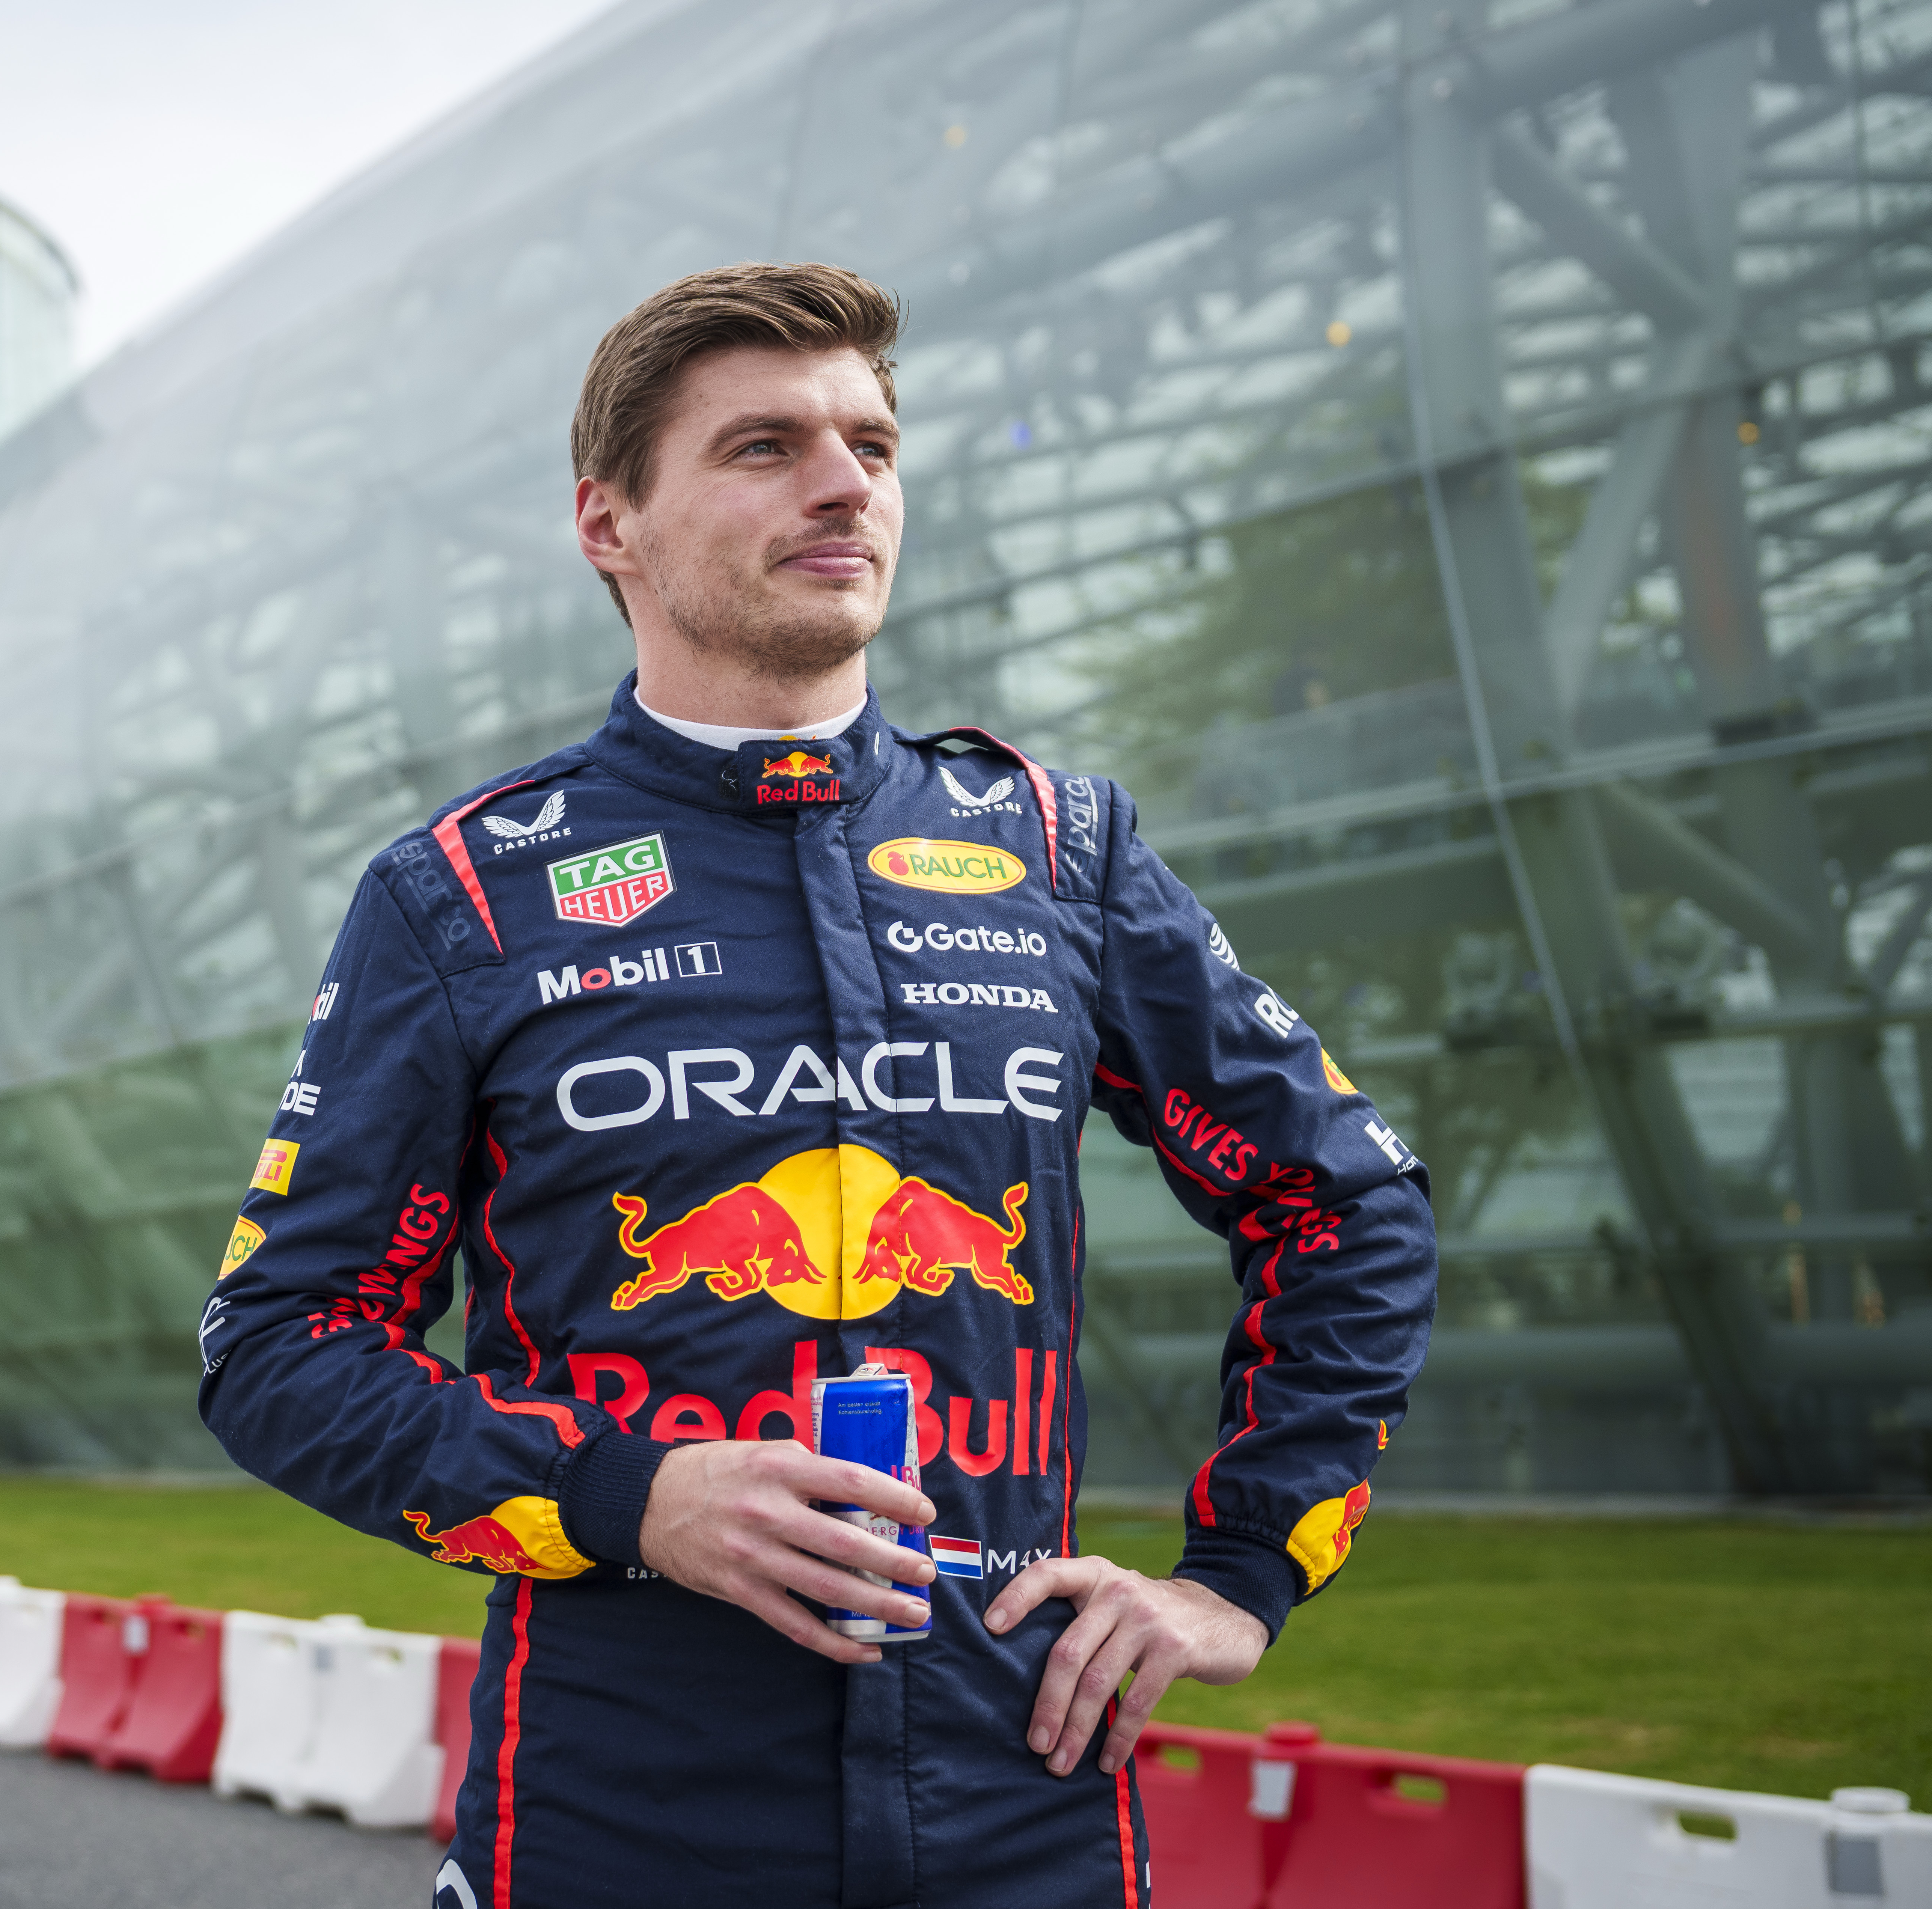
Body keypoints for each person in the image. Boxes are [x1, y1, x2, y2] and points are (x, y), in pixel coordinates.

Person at [198, 263, 1436, 1909]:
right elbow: (277, 1346)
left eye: (872, 444)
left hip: (1027, 1800)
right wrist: (632, 1496)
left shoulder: (1058, 847)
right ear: (607, 523)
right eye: (763, 447)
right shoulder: (465, 895)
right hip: (615, 1810)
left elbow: (1343, 1204)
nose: (844, 484)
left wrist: (1240, 1574)